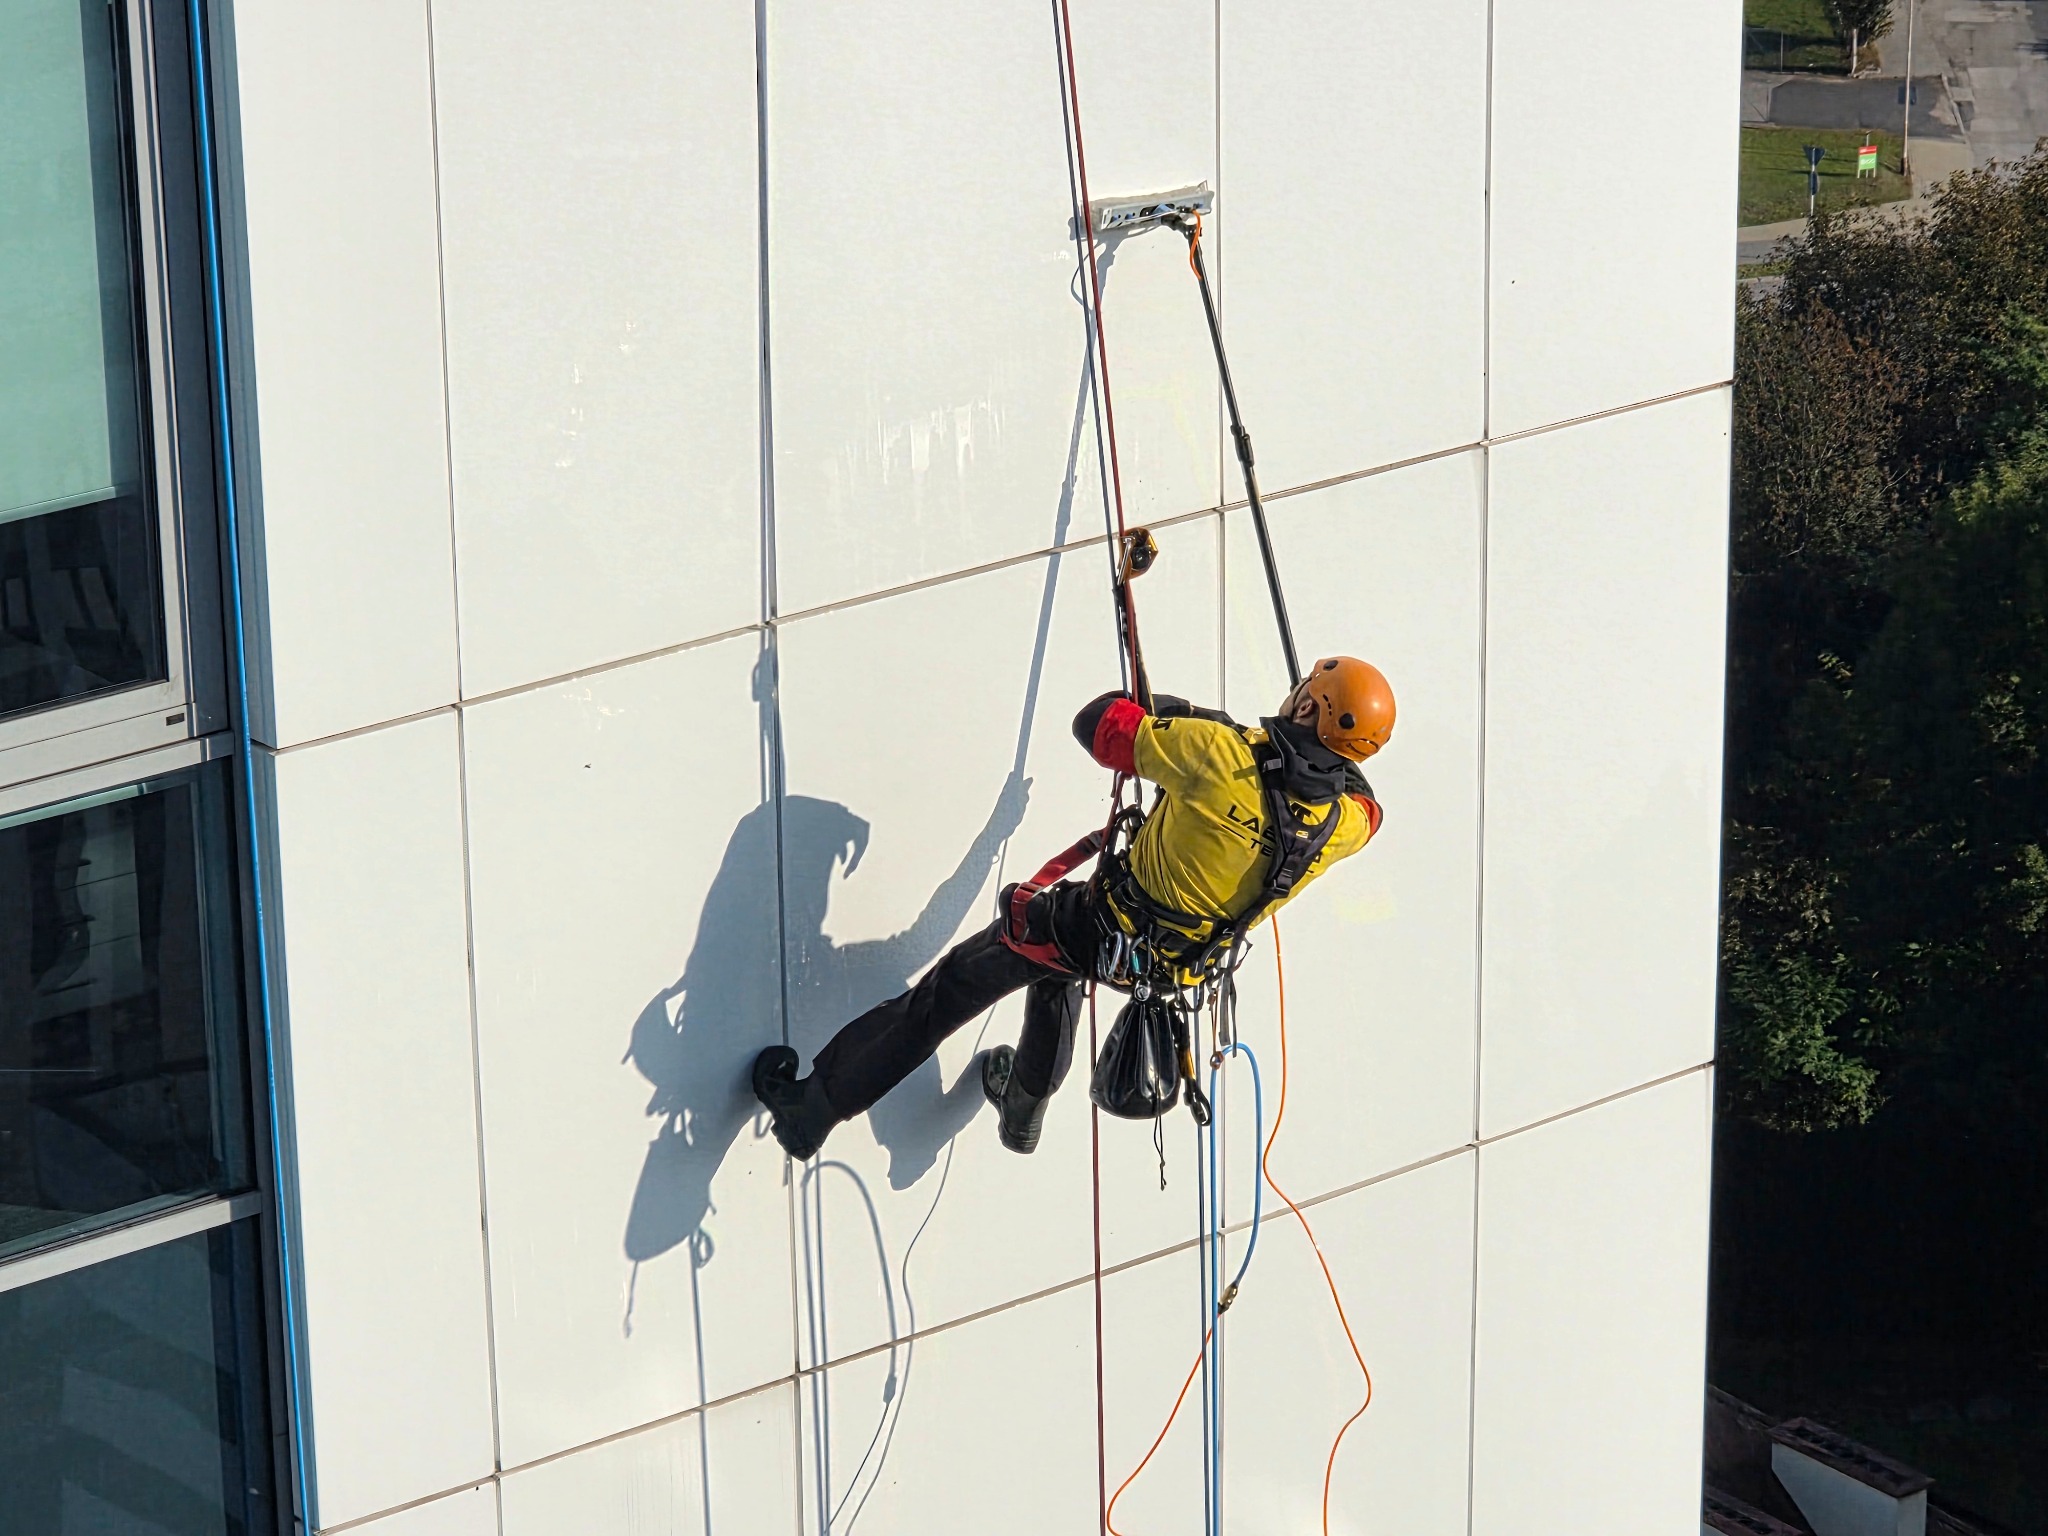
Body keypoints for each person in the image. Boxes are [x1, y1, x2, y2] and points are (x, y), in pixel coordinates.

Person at [751, 656, 1395, 1161]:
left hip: (1097, 927)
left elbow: (1098, 724)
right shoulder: (1339, 826)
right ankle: (1025, 1105)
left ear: (1308, 704)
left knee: (946, 994)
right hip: (1171, 969)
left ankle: (811, 1111)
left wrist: (1194, 718)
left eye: (1306, 688)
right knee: (1055, 975)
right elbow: (1370, 803)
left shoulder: (1218, 757)